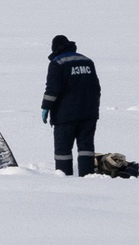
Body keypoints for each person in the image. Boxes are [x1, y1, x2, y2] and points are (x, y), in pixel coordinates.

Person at [43, 35, 101, 175]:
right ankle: (87, 176)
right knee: (86, 148)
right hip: (89, 114)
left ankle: (64, 177)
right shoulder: (87, 61)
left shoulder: (58, 63)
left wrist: (46, 107)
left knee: (63, 151)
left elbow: (53, 89)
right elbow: (96, 88)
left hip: (65, 116)